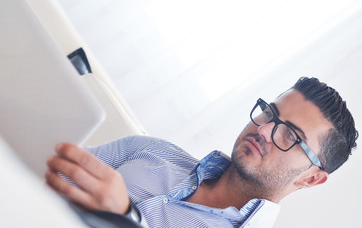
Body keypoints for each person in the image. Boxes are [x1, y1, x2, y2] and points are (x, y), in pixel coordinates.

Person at [45, 77, 358, 228]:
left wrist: (125, 218)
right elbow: (43, 168)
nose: (263, 129)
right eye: (269, 113)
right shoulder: (152, 149)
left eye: (289, 135)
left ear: (311, 178)